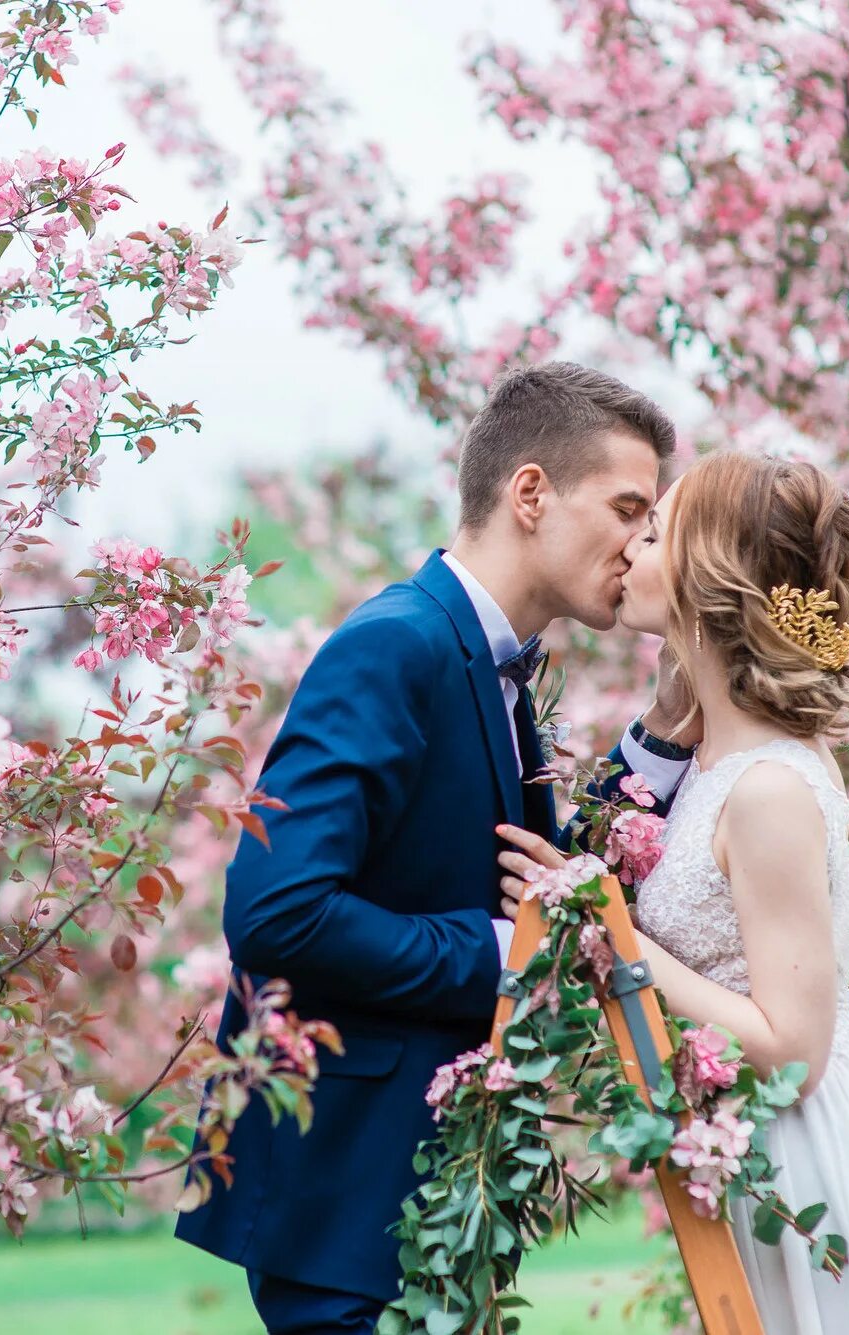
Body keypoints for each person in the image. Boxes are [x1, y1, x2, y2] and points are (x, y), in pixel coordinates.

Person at [173, 362, 700, 1334]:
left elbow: (528, 872)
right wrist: (499, 955)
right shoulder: (395, 647)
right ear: (529, 494)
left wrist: (661, 740)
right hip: (343, 1199)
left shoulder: (487, 661)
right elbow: (273, 912)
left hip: (421, 1201)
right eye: (628, 506)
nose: (643, 542)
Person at [497, 450, 849, 1334]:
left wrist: (602, 924)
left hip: (825, 1169)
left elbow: (793, 1048)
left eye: (658, 529)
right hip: (764, 1157)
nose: (631, 544)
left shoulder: (768, 789)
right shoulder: (717, 755)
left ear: (709, 578)